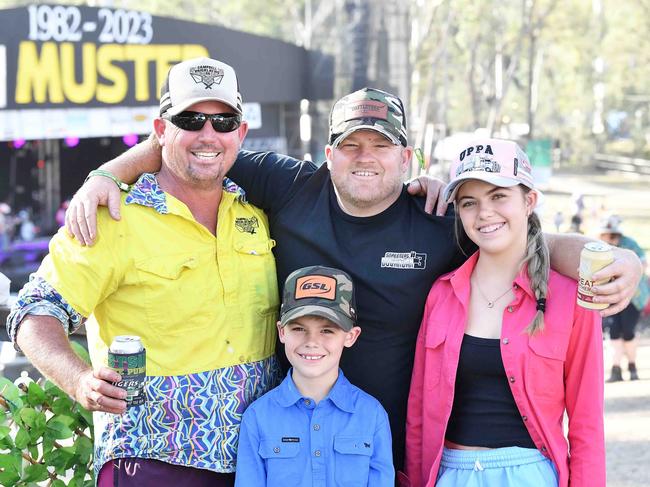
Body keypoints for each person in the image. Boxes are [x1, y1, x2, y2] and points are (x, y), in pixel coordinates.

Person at [62, 86, 641, 474]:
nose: (366, 156)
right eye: (351, 144)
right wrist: (107, 171)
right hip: (288, 443)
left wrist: (616, 258)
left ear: (407, 157)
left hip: (397, 453)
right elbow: (198, 146)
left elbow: (514, 237)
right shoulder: (289, 185)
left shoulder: (440, 222)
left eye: (381, 145)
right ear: (328, 153)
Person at [6, 57, 280, 487]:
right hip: (153, 461)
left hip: (257, 461)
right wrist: (79, 381)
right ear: (160, 131)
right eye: (190, 119)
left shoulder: (256, 211)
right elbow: (33, 311)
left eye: (224, 122)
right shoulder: (111, 218)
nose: (209, 135)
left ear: (241, 133)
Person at [404, 138, 605, 487]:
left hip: (529, 476)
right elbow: (419, 416)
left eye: (498, 196)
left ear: (529, 201)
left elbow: (587, 423)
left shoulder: (571, 298)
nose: (485, 213)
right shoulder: (441, 294)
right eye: (470, 203)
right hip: (451, 475)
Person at [236, 266, 394, 486]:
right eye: (299, 329)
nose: (311, 342)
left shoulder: (372, 414)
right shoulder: (257, 417)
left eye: (327, 330)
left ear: (350, 336)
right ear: (282, 332)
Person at [600, 216, 649, 381]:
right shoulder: (600, 246)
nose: (609, 237)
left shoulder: (630, 244)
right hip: (610, 295)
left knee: (628, 331)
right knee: (613, 332)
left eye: (612, 234)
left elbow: (643, 263)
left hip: (633, 296)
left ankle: (632, 366)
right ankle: (616, 369)